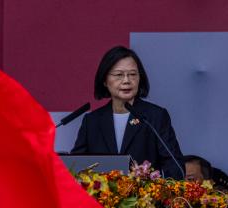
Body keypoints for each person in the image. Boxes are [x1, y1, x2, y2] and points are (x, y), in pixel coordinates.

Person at [71, 46, 184, 179]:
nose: (126, 81)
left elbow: (175, 167)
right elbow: (75, 167)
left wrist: (150, 179)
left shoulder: (155, 117)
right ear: (105, 81)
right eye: (119, 75)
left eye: (132, 74)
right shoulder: (92, 121)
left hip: (144, 197)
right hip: (101, 198)